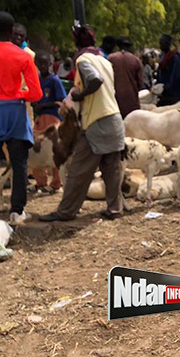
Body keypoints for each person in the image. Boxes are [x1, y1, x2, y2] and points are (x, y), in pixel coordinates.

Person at [39, 24, 126, 222]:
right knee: (111, 169)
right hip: (114, 119)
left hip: (97, 122)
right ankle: (115, 209)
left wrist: (80, 94)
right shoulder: (104, 61)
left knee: (78, 171)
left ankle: (66, 212)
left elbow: (95, 81)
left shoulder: (83, 60)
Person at [0, 12, 43, 224]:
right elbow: (36, 94)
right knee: (19, 163)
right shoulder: (23, 56)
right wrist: (18, 94)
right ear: (11, 31)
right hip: (14, 112)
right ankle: (17, 212)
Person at [32, 50, 67, 191]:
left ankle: (56, 182)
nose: (42, 66)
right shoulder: (37, 79)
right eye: (39, 63)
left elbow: (60, 100)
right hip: (39, 117)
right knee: (37, 148)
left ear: (50, 64)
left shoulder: (54, 80)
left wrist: (44, 105)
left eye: (45, 63)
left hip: (52, 117)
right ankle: (40, 182)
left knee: (53, 150)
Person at [108, 37, 143, 118]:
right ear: (130, 47)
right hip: (132, 102)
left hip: (114, 102)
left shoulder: (111, 58)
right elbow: (140, 83)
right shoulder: (136, 60)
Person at [157, 34, 180, 106]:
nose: (160, 45)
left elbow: (176, 76)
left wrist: (167, 88)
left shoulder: (174, 57)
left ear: (167, 44)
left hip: (173, 94)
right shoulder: (163, 56)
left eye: (162, 43)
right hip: (163, 93)